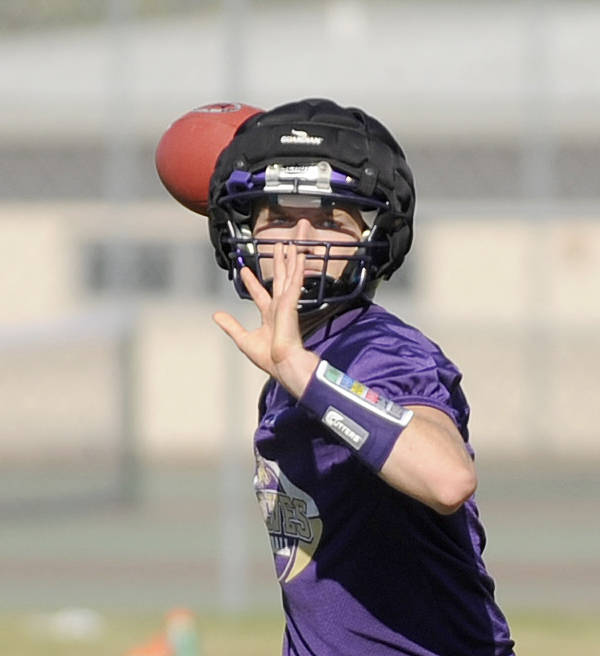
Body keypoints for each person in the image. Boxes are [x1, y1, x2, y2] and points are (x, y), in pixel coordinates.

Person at [206, 98, 515, 655]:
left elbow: (448, 478)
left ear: (371, 242)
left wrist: (302, 371)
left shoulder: (380, 350)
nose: (301, 240)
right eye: (278, 218)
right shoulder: (289, 369)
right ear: (245, 233)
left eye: (329, 221)